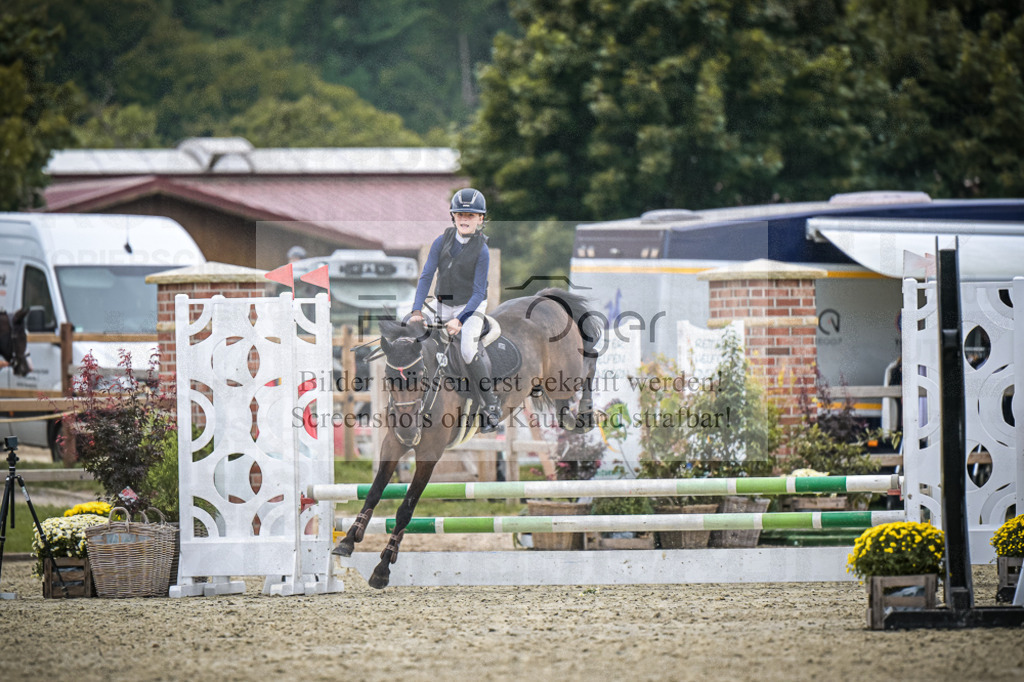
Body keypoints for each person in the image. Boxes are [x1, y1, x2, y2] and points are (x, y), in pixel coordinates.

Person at [409, 188, 501, 432]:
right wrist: (417, 310)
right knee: (410, 331)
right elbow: (427, 275)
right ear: (453, 216)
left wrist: (460, 320)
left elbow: (479, 292)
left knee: (468, 349)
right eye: (460, 214)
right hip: (442, 301)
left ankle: (491, 405)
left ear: (480, 219)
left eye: (471, 215)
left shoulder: (481, 249)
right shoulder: (442, 241)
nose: (464, 219)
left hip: (470, 304)